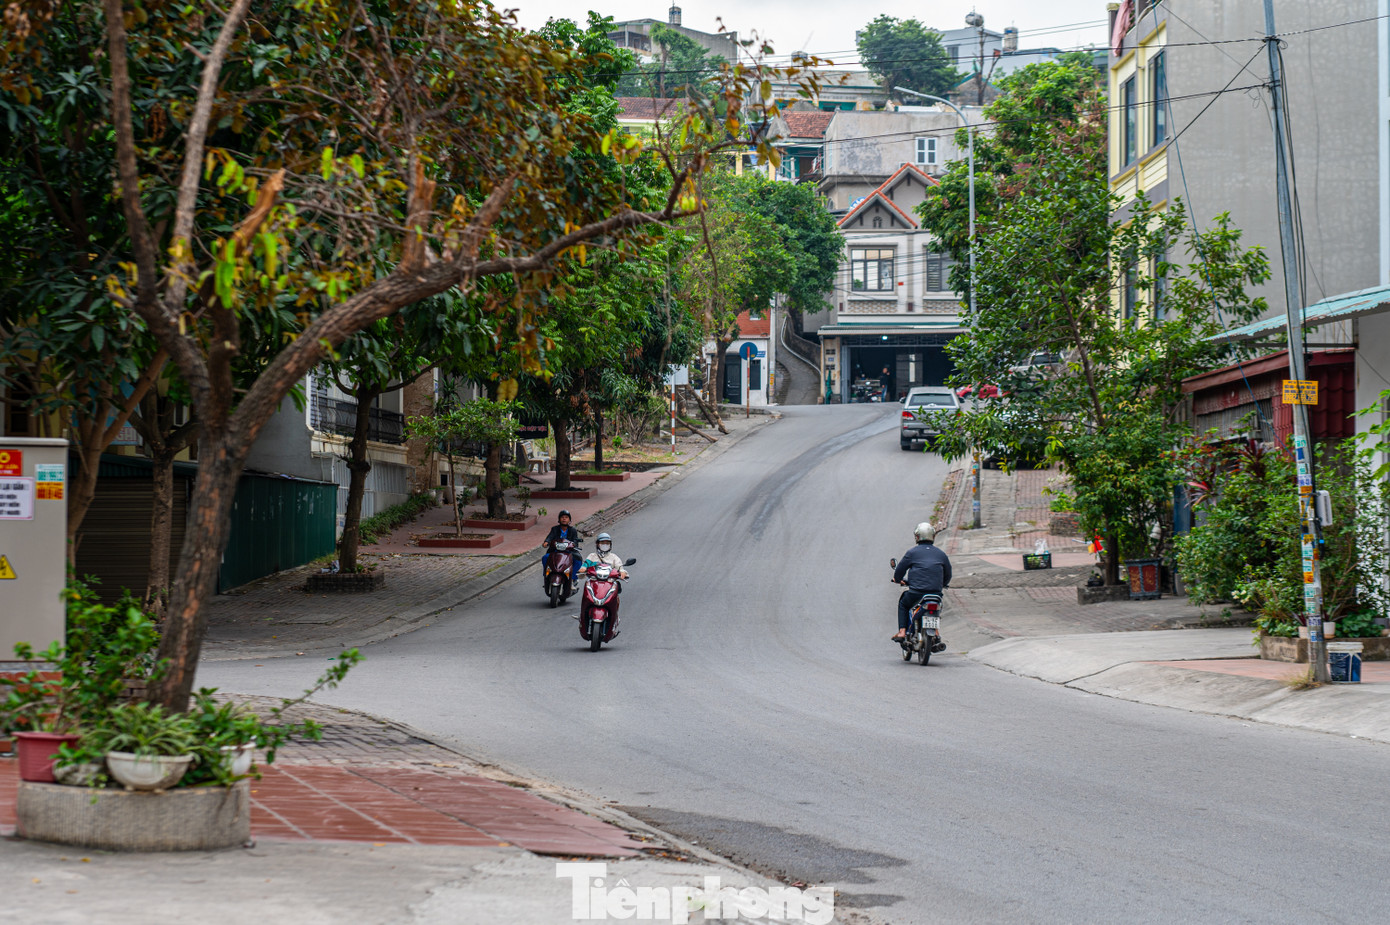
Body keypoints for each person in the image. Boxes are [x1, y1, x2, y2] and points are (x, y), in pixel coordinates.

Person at [891, 522, 951, 644]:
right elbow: (948, 574)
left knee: (904, 604)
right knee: (937, 607)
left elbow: (899, 571)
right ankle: (936, 632)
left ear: (917, 537)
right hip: (935, 594)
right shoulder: (941, 554)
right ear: (933, 536)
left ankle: (902, 631)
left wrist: (897, 579)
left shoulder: (912, 553)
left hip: (916, 593)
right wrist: (942, 584)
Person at [581, 532, 628, 637]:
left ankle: (615, 617)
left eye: (607, 543)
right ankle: (583, 616)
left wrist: (623, 573)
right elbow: (585, 565)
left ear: (610, 545)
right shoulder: (592, 556)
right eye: (602, 542)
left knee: (616, 596)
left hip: (609, 584)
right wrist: (583, 568)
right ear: (597, 544)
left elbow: (620, 568)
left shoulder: (614, 558)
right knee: (585, 594)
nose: (604, 545)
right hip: (594, 583)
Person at [541, 510, 582, 588]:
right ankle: (547, 575)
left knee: (578, 560)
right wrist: (546, 542)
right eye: (562, 517)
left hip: (569, 552)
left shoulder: (572, 530)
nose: (564, 519)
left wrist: (574, 544)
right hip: (555, 551)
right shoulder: (554, 529)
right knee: (545, 558)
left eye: (566, 517)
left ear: (569, 520)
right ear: (559, 519)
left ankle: (573, 579)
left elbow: (575, 541)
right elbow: (550, 537)